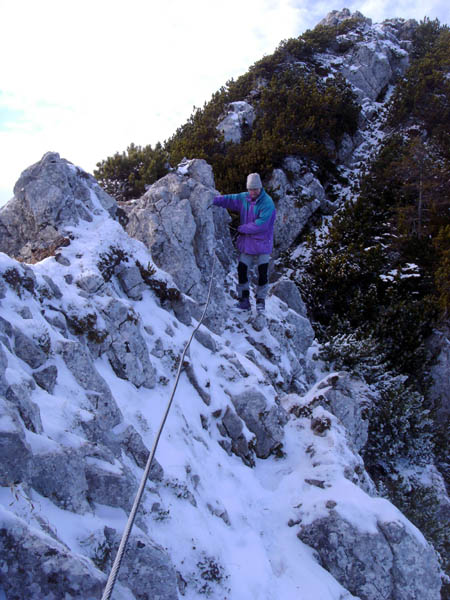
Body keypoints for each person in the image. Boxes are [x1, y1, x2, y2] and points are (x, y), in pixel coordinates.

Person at [213, 173, 276, 312]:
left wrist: (242, 228)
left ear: (260, 188)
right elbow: (230, 200)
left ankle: (260, 300)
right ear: (248, 189)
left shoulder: (268, 203)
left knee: (262, 272)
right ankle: (244, 300)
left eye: (256, 189)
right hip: (248, 243)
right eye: (251, 189)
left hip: (263, 244)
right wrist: (214, 200)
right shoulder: (244, 198)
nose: (253, 192)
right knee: (242, 269)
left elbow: (262, 225)